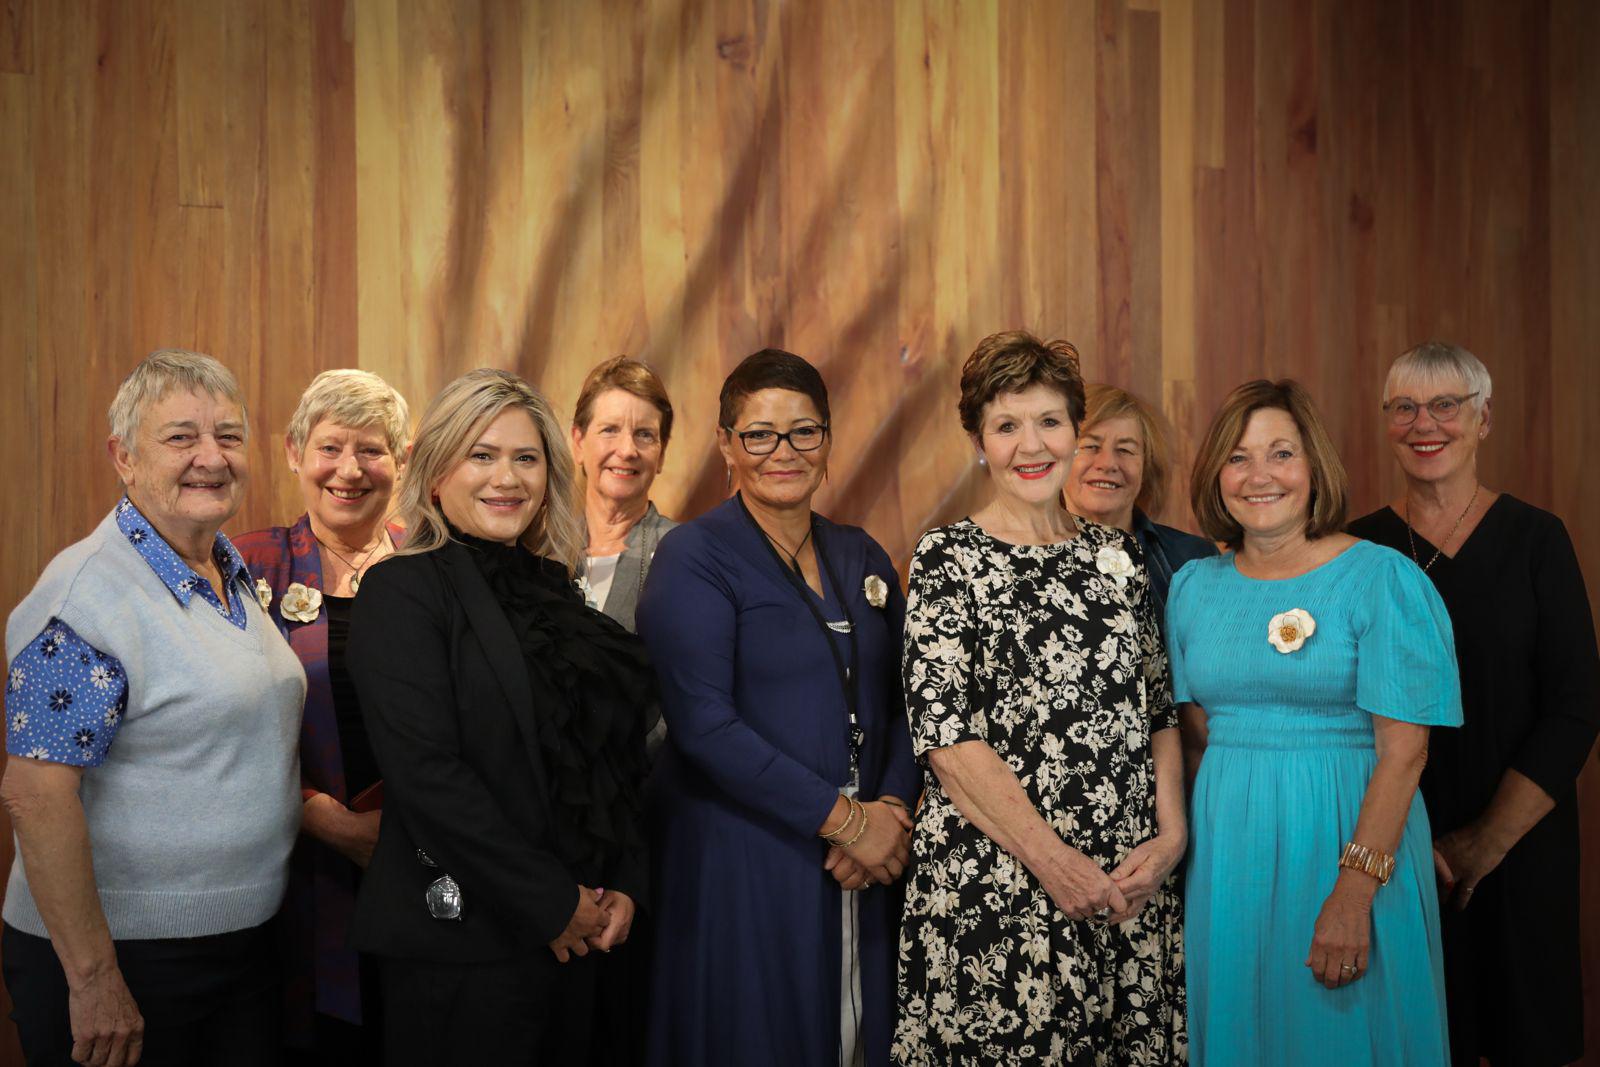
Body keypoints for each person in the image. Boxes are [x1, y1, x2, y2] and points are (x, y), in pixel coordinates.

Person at [1, 349, 304, 1067]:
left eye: (228, 436)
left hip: (240, 949)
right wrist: (94, 980)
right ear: (125, 458)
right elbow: (36, 795)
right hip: (128, 960)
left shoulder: (224, 567)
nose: (211, 457)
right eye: (181, 437)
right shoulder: (88, 597)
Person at [892, 331, 1186, 1065]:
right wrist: (1054, 863)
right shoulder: (946, 559)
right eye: (1006, 425)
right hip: (999, 887)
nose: (1032, 445)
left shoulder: (1118, 557)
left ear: (1074, 430)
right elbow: (946, 741)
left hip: (1126, 887)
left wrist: (1171, 838)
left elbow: (1159, 710)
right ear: (978, 442)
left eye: (1050, 421)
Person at [344, 369, 652, 1065]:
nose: (506, 477)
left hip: (589, 939)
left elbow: (609, 758)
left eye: (526, 457)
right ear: (435, 473)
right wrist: (550, 903)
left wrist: (627, 883)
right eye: (481, 455)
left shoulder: (556, 591)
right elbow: (428, 777)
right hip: (465, 950)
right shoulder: (401, 590)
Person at [636, 349, 918, 1066]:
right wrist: (845, 821)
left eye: (803, 432)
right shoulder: (694, 556)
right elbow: (704, 725)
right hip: (746, 852)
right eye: (759, 434)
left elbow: (908, 702)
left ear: (828, 439)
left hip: (868, 858)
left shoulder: (861, 554)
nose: (783, 452)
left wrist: (888, 809)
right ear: (726, 444)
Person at [1168, 378, 1461, 1065]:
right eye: (1238, 457)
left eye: (1281, 453)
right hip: (1229, 858)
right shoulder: (1191, 587)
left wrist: (1355, 892)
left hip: (1348, 848)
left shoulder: (1382, 579)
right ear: (1215, 474)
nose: (1260, 476)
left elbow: (1405, 754)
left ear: (1315, 467)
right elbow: (1195, 737)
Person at [1348, 342, 1600, 1066]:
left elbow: (1576, 707)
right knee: (1417, 1042)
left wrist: (1481, 845)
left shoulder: (1537, 539)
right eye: (1404, 407)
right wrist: (1400, 849)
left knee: (1522, 1036)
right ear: (1387, 422)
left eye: (1445, 406)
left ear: (1483, 419)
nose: (1424, 424)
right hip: (1396, 849)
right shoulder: (1358, 548)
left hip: (1520, 845)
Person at [234, 369, 410, 1061]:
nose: (349, 469)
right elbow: (222, 724)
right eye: (330, 447)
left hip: (427, 858)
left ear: (402, 459)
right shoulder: (246, 567)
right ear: (293, 451)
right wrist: (326, 819)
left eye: (371, 449)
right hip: (292, 869)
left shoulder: (435, 564)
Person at [567, 357, 677, 1065]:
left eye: (645, 434)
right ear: (577, 440)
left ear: (663, 451)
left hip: (638, 835)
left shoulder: (685, 555)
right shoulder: (530, 544)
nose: (626, 449)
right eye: (610, 430)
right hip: (540, 847)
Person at [1064, 383, 1217, 621]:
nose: (1108, 463)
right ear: (1059, 458)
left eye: (1125, 450)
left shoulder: (1194, 560)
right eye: (1091, 446)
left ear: (1146, 467)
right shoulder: (1019, 559)